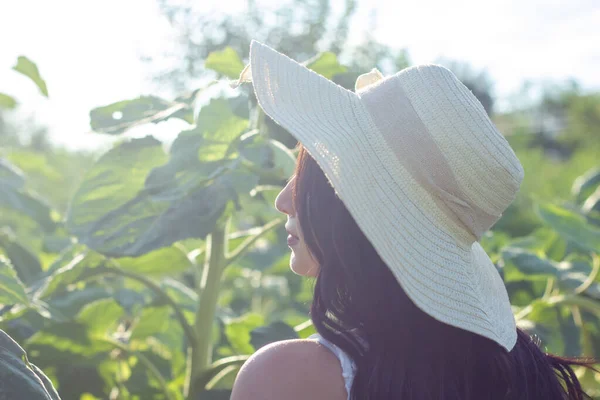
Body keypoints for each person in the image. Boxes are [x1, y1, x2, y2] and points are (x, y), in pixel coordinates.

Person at [230, 40, 595, 400]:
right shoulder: (522, 373)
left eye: (312, 174)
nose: (283, 200)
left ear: (359, 205)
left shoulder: (287, 379)